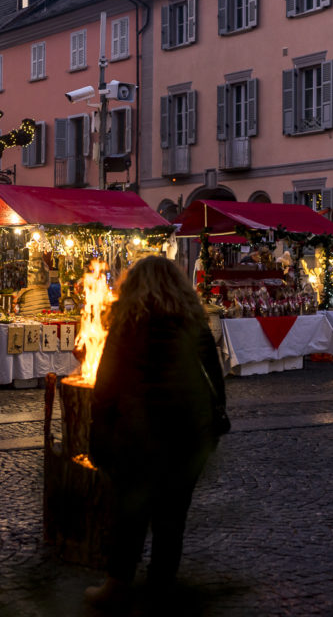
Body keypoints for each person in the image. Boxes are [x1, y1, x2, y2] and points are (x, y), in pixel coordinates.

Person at [86, 256, 226, 609]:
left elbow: (106, 387)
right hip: (188, 437)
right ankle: (161, 584)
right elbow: (215, 381)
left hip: (138, 437)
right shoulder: (194, 320)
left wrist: (99, 439)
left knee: (130, 514)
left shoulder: (127, 322)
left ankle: (117, 584)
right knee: (172, 518)